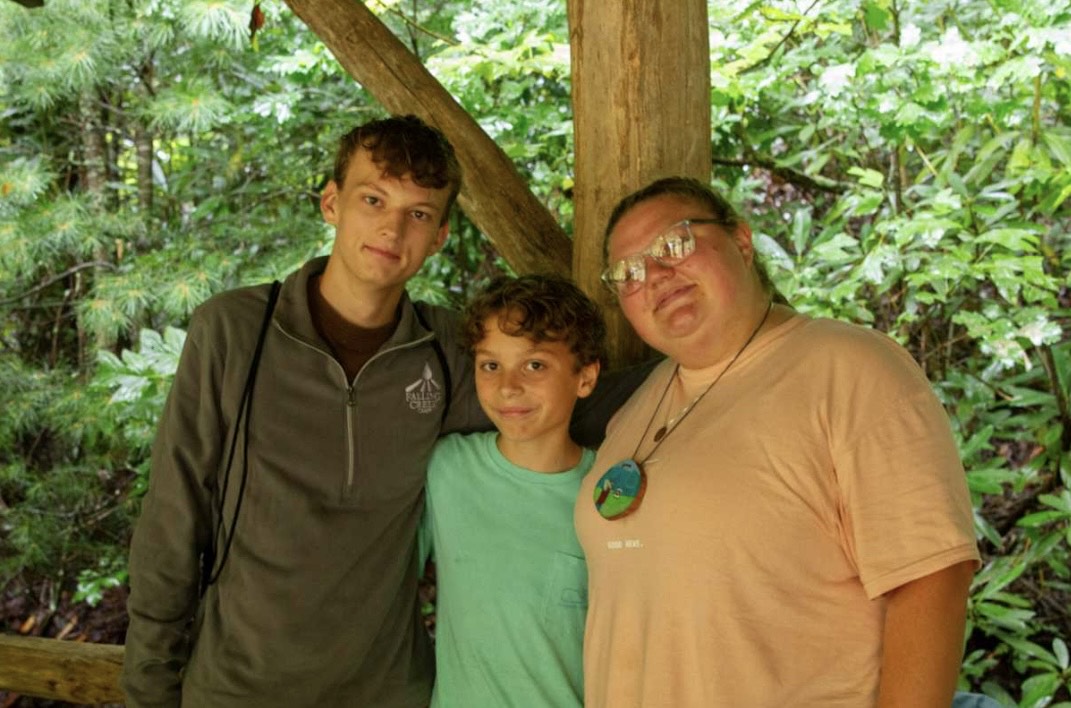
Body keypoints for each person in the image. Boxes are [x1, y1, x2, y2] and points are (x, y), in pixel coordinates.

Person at [121, 115, 485, 707]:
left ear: (439, 235)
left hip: (388, 692)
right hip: (239, 690)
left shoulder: (450, 351)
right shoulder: (235, 332)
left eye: (418, 213)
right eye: (373, 199)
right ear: (332, 203)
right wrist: (149, 690)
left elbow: (561, 401)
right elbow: (172, 519)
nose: (392, 228)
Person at [575, 176, 980, 707]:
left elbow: (932, 581)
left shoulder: (849, 368)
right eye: (627, 273)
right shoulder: (635, 406)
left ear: (742, 242)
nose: (653, 275)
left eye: (674, 243)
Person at [421, 275, 605, 708]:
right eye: (491, 365)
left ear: (585, 377)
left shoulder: (610, 493)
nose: (508, 386)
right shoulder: (446, 469)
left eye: (535, 365)